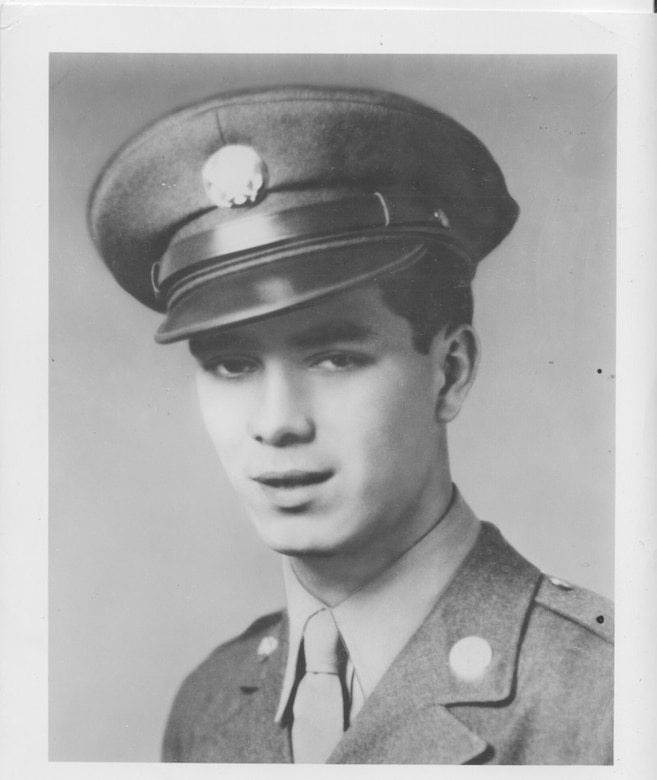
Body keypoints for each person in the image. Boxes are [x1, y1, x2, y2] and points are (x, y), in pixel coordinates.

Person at [88, 85, 613, 765]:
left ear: (448, 372)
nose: (276, 424)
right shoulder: (211, 703)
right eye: (230, 365)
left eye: (335, 358)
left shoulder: (609, 698)